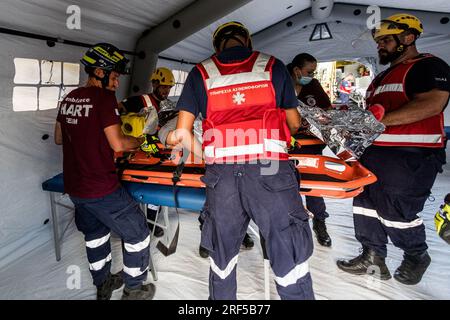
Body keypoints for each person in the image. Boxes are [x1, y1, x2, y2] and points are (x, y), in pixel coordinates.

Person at [166, 21, 314, 300]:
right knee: (288, 250)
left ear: (217, 46)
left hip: (221, 177)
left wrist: (209, 155)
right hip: (270, 171)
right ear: (246, 40)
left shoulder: (200, 73)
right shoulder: (272, 65)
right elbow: (293, 124)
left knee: (222, 254)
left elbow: (182, 134)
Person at [337, 14, 449, 285]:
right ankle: (372, 255)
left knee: (396, 211)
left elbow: (433, 104)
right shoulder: (382, 77)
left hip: (411, 155)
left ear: (408, 38)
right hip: (376, 153)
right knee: (364, 204)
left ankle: (415, 255)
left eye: (386, 40)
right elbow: (375, 114)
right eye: (378, 41)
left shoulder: (429, 66)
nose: (380, 45)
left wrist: (378, 120)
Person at [54, 43, 155, 300]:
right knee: (139, 233)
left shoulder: (69, 98)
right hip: (100, 187)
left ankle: (103, 284)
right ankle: (134, 289)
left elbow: (58, 137)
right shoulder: (103, 99)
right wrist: (142, 140)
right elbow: (120, 144)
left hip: (76, 188)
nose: (117, 78)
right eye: (114, 73)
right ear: (99, 71)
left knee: (96, 235)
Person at [119, 67, 178, 238]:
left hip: (156, 153)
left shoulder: (167, 105)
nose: (166, 91)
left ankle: (151, 221)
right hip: (138, 152)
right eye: (163, 87)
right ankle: (130, 221)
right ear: (154, 84)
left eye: (169, 87)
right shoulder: (141, 100)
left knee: (158, 187)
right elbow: (118, 110)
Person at [287, 53, 332, 247]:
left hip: (311, 146)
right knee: (288, 187)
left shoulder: (313, 86)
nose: (311, 76)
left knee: (314, 186)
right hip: (287, 145)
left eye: (313, 72)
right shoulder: (281, 83)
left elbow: (326, 109)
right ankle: (292, 226)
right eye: (308, 72)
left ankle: (319, 223)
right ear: (296, 70)